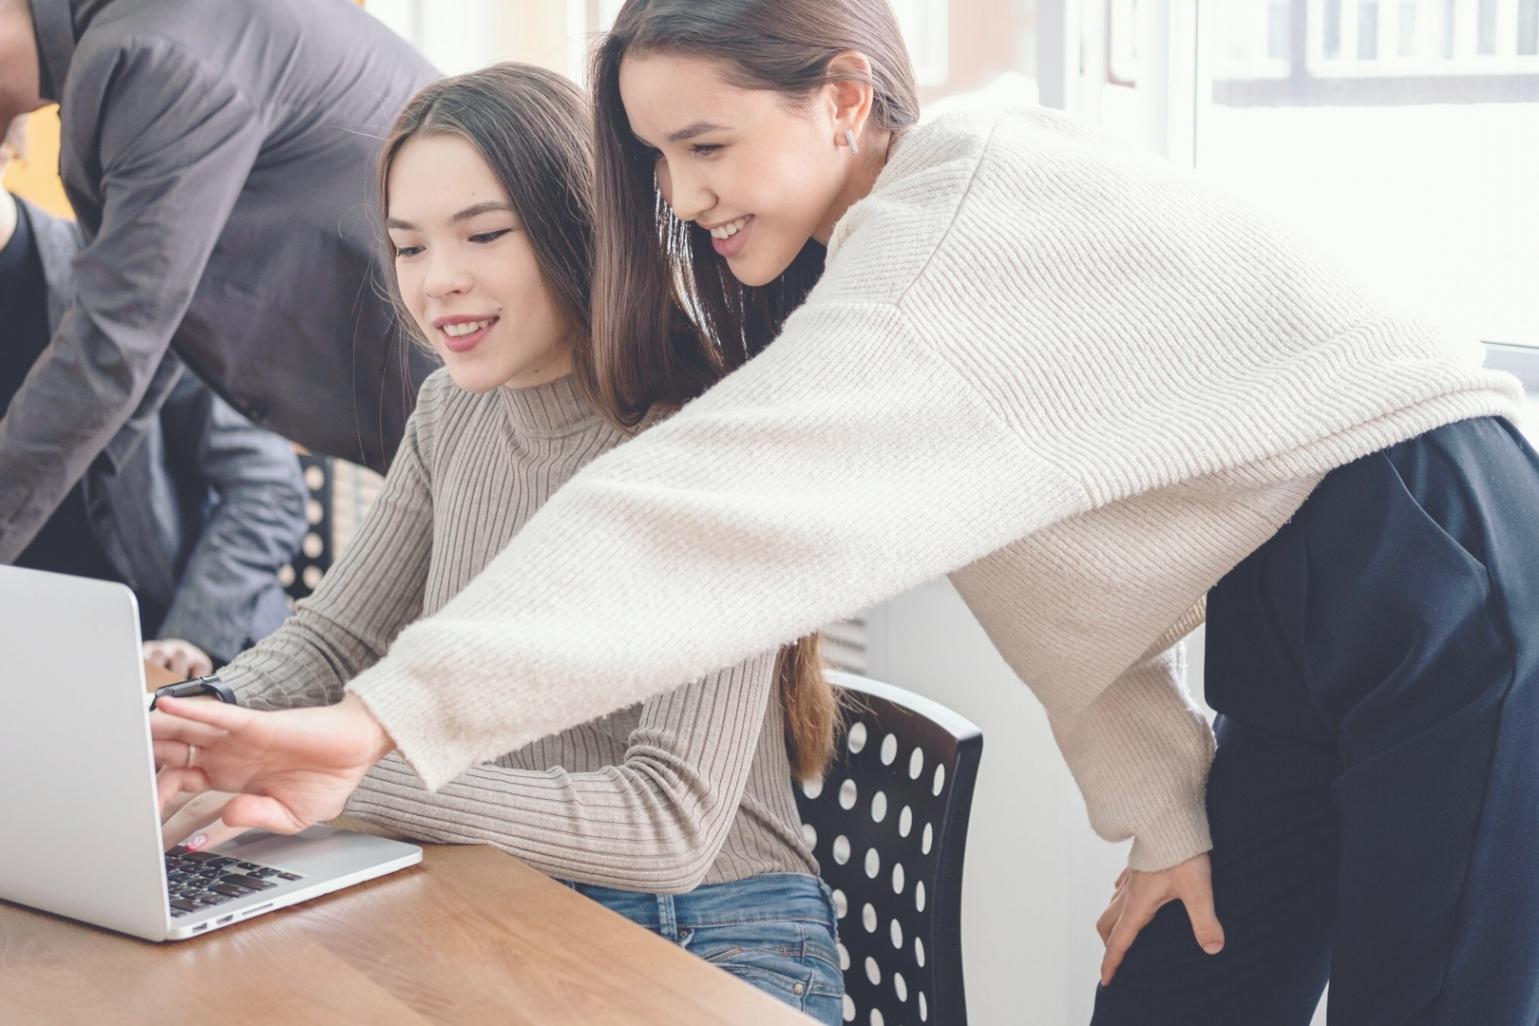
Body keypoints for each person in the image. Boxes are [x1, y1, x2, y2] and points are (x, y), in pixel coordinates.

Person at [151, 2, 1537, 1023]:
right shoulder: (879, 293)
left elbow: (691, 514)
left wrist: (385, 721)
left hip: (1423, 534)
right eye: (658, 161)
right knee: (1186, 978)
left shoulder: (953, 225)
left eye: (707, 144)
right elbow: (1048, 579)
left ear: (839, 98)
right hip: (1280, 589)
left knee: (1431, 1000)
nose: (683, 199)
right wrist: (1160, 813)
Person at [155, 64, 844, 1022]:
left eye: (484, 235)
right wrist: (189, 723)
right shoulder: (452, 411)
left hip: (713, 938)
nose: (440, 283)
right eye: (408, 246)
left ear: (579, 229)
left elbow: (668, 826)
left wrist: (351, 780)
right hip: (508, 895)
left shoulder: (702, 439)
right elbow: (333, 644)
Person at [0, 0, 438, 565]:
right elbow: (144, 335)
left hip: (494, 406)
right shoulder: (140, 35)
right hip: (448, 414)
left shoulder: (156, 52)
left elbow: (115, 344)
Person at [1, 117, 305, 675]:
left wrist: (190, 637)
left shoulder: (129, 283)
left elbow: (267, 486)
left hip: (173, 646)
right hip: (23, 662)